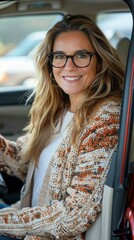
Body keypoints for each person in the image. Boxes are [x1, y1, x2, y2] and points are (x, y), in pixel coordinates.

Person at [0, 14, 124, 240]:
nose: (69, 66)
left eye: (81, 55)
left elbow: (74, 215)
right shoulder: (60, 109)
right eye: (60, 56)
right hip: (27, 223)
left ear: (100, 61)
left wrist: (4, 221)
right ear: (50, 63)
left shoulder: (106, 118)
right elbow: (29, 164)